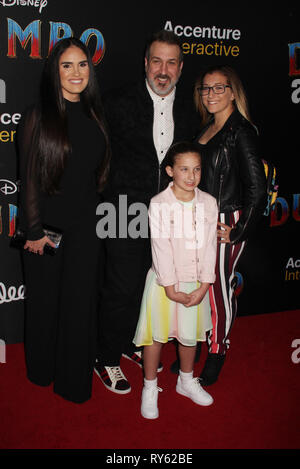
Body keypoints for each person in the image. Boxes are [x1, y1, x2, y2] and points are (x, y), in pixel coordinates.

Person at [94, 30, 200, 394]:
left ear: (181, 68)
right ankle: (105, 357)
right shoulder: (116, 101)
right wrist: (108, 199)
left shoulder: (189, 109)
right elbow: (97, 155)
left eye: (171, 63)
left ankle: (128, 342)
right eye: (157, 60)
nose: (163, 70)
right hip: (123, 210)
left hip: (168, 215)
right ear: (145, 62)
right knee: (121, 287)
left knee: (149, 287)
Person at [17, 37, 110, 403]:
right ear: (54, 71)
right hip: (46, 229)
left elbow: (97, 174)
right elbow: (28, 179)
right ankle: (42, 372)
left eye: (83, 64)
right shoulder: (38, 115)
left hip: (87, 226)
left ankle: (73, 381)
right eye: (66, 65)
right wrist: (35, 230)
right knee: (44, 302)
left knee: (79, 302)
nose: (76, 73)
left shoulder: (94, 114)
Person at [170, 65, 266, 385]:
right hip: (199, 219)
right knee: (195, 288)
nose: (210, 95)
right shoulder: (207, 127)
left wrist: (239, 230)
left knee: (218, 292)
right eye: (205, 89)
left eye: (218, 88)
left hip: (225, 221)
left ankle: (217, 350)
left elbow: (257, 188)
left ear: (233, 93)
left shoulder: (241, 131)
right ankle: (195, 345)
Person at [133, 141, 218, 419]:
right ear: (170, 170)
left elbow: (209, 247)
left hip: (196, 284)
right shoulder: (159, 204)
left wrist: (205, 285)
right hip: (163, 285)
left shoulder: (208, 202)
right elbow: (161, 247)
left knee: (189, 337)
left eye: (197, 169)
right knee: (155, 338)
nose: (191, 176)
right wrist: (170, 287)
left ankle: (186, 380)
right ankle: (149, 386)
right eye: (184, 169)